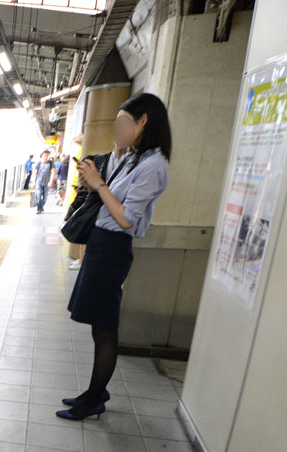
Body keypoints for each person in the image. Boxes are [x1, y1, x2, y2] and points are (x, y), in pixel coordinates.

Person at [57, 92, 172, 420]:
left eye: (123, 123)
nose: (117, 130)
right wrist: (93, 183)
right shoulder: (135, 157)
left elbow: (126, 218)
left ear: (143, 121)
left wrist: (100, 184)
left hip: (113, 248)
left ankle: (93, 400)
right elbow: (111, 198)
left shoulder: (152, 165)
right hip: (102, 244)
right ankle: (96, 389)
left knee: (105, 328)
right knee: (98, 325)